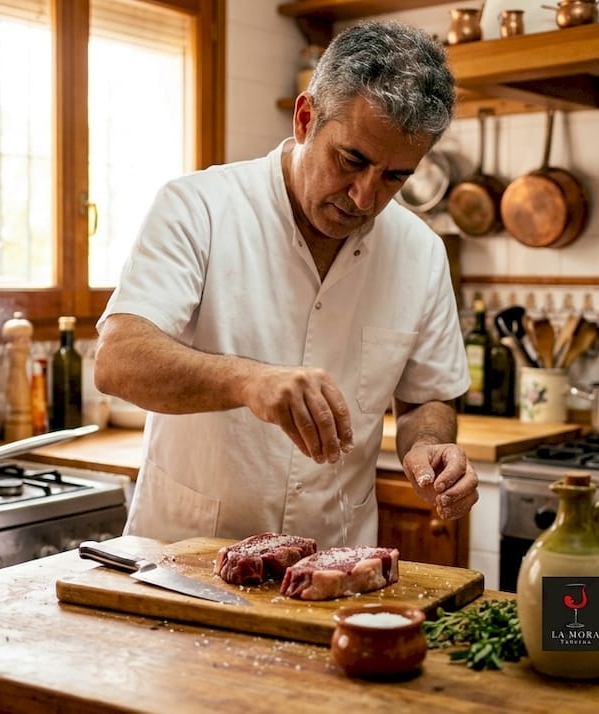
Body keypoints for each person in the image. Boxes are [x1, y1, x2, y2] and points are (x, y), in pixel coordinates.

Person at [93, 20, 478, 549]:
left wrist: (429, 446)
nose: (365, 198)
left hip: (335, 562)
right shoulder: (198, 208)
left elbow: (427, 398)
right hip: (185, 558)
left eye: (394, 177)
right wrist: (248, 381)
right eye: (352, 160)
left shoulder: (421, 252)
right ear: (305, 119)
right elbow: (118, 361)